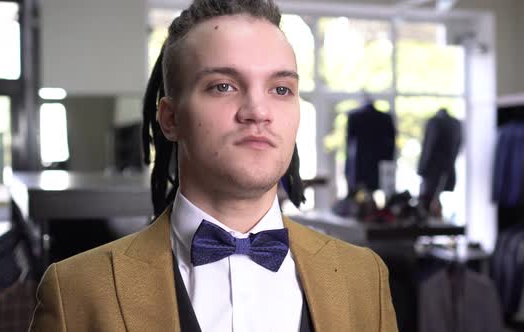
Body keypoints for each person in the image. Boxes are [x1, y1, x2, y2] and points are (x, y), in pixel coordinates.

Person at [30, 1, 399, 331]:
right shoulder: (75, 293)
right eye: (223, 86)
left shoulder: (364, 278)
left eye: (281, 89)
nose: (258, 111)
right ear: (170, 119)